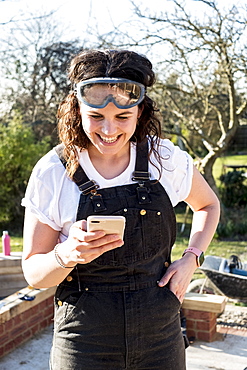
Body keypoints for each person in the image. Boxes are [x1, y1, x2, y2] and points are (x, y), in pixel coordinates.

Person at [21, 49, 220, 370]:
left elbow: (209, 204)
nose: (109, 130)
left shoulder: (164, 159)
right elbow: (33, 273)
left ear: (139, 112)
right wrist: (67, 255)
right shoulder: (52, 172)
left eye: (122, 118)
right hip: (84, 341)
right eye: (96, 117)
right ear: (77, 109)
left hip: (161, 336)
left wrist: (191, 259)